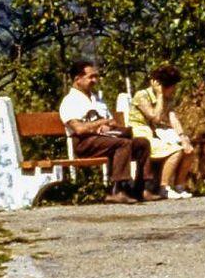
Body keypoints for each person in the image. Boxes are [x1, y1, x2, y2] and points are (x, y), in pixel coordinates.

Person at [59, 61, 154, 204]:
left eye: (96, 77)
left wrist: (109, 125)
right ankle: (117, 190)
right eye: (91, 77)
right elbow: (79, 129)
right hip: (85, 143)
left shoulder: (97, 100)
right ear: (77, 79)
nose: (95, 81)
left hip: (106, 139)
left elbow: (111, 121)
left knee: (142, 143)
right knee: (123, 144)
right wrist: (100, 123)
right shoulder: (70, 101)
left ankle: (142, 189)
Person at [127, 63, 198, 199]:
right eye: (172, 87)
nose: (174, 90)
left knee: (188, 150)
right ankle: (164, 187)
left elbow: (172, 117)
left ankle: (179, 185)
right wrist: (159, 95)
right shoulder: (141, 95)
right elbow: (156, 117)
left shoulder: (167, 98)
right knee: (175, 151)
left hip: (157, 133)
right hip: (141, 134)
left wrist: (183, 137)